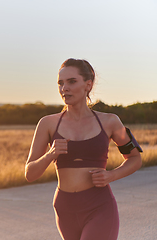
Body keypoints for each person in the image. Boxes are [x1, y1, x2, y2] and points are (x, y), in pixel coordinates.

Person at [24, 58, 142, 240]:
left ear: (88, 85)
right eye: (60, 83)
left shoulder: (110, 121)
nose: (64, 88)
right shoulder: (47, 124)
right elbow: (30, 173)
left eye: (72, 81)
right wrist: (50, 155)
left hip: (99, 206)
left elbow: (135, 158)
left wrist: (111, 175)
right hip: (64, 208)